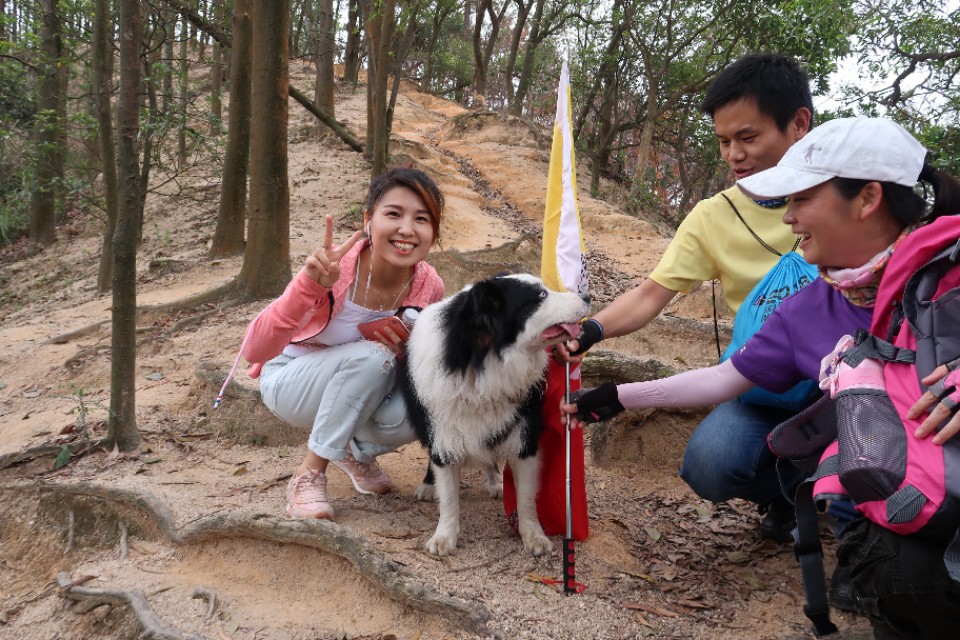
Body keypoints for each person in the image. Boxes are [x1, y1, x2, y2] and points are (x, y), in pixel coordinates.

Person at [562, 116, 960, 639]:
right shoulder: (808, 307)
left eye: (802, 200)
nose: (790, 218)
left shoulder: (950, 266)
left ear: (867, 199)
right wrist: (618, 396)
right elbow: (728, 378)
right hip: (912, 498)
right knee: (898, 578)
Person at [558, 53, 814, 541]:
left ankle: (861, 521)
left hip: (844, 380)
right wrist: (589, 333)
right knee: (710, 464)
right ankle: (785, 495)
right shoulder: (713, 216)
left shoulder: (843, 195)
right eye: (723, 142)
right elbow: (653, 293)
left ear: (798, 124)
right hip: (759, 380)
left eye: (748, 137)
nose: (734, 155)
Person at [240, 168, 445, 520]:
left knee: (427, 403)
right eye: (393, 214)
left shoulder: (429, 287)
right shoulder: (334, 268)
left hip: (362, 391)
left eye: (421, 219)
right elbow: (254, 351)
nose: (407, 229)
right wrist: (308, 286)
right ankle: (309, 475)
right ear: (369, 219)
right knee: (372, 357)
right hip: (291, 380)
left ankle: (353, 452)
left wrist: (403, 351)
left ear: (433, 232)